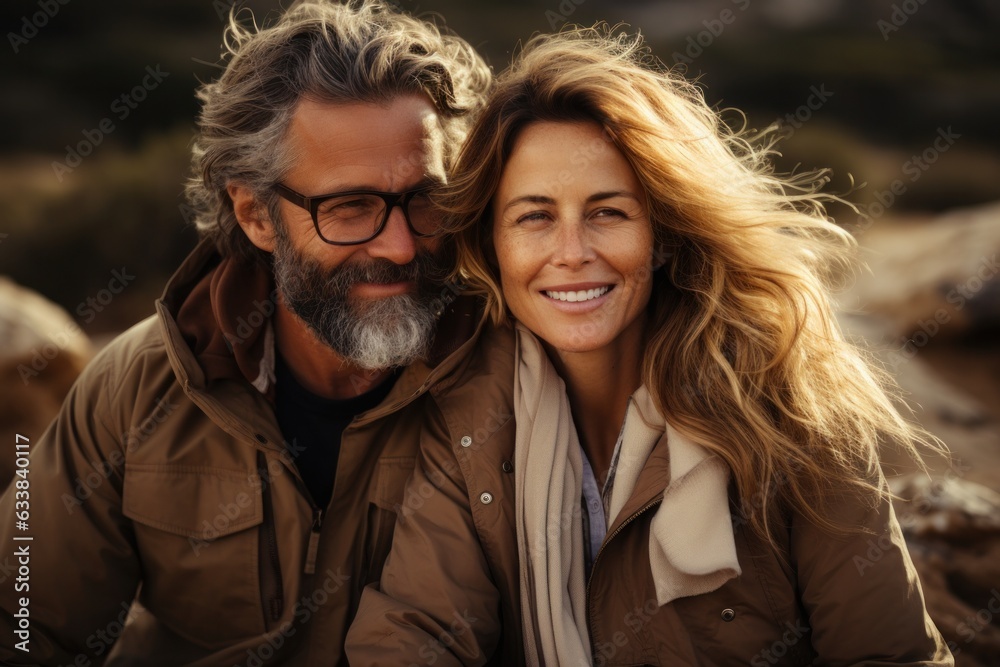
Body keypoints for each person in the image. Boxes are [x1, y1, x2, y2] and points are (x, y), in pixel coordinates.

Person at [346, 26, 954, 665]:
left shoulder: (790, 409)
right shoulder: (465, 414)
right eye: (535, 216)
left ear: (663, 233)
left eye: (609, 212)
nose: (573, 252)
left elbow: (891, 655)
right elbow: (417, 635)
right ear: (491, 245)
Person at [0, 1, 490, 664]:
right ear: (256, 215)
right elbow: (25, 619)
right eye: (351, 207)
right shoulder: (137, 386)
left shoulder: (508, 381)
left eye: (426, 200)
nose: (402, 246)